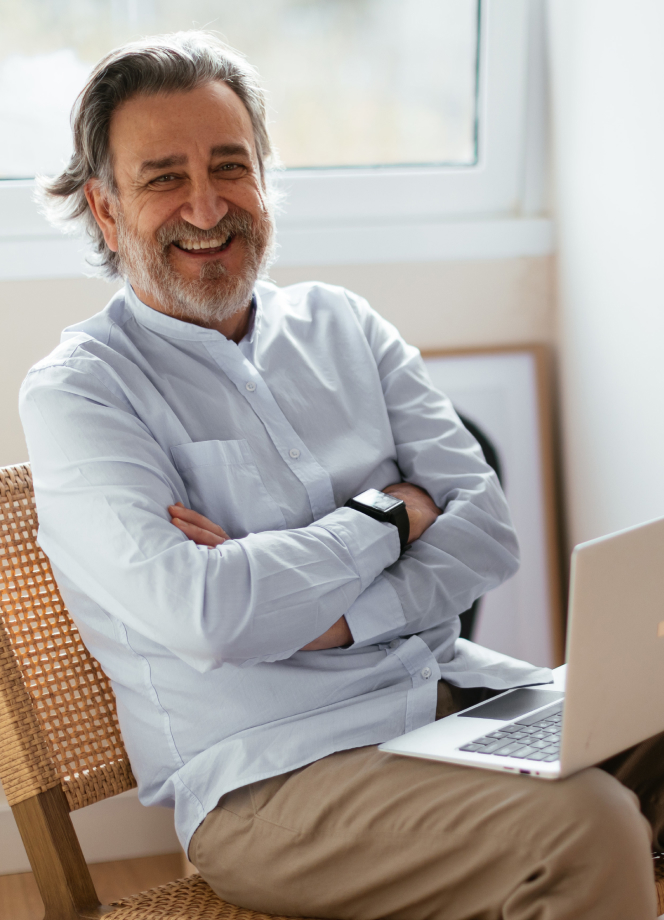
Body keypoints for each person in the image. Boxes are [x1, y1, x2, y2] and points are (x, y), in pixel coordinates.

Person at [20, 31, 663, 920]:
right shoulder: (80, 392)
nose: (206, 204)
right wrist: (390, 515)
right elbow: (205, 614)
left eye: (230, 165)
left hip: (453, 706)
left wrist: (322, 609)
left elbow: (485, 530)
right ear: (103, 208)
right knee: (583, 828)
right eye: (164, 176)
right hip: (271, 784)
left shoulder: (343, 325)